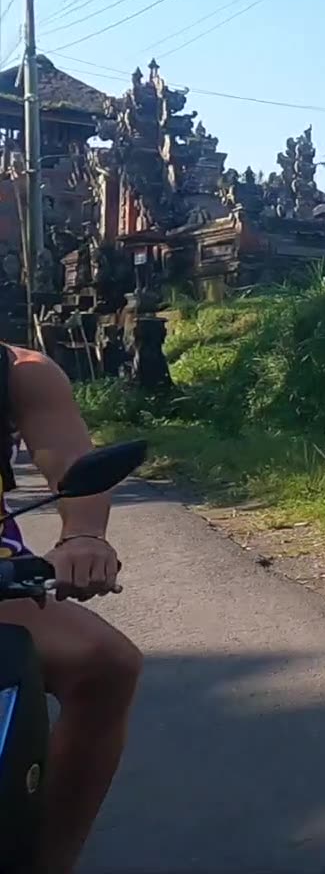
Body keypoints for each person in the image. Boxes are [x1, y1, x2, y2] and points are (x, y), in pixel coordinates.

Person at [0, 343, 142, 874]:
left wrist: (83, 536)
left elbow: (70, 462)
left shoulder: (21, 373)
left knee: (106, 663)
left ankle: (48, 863)